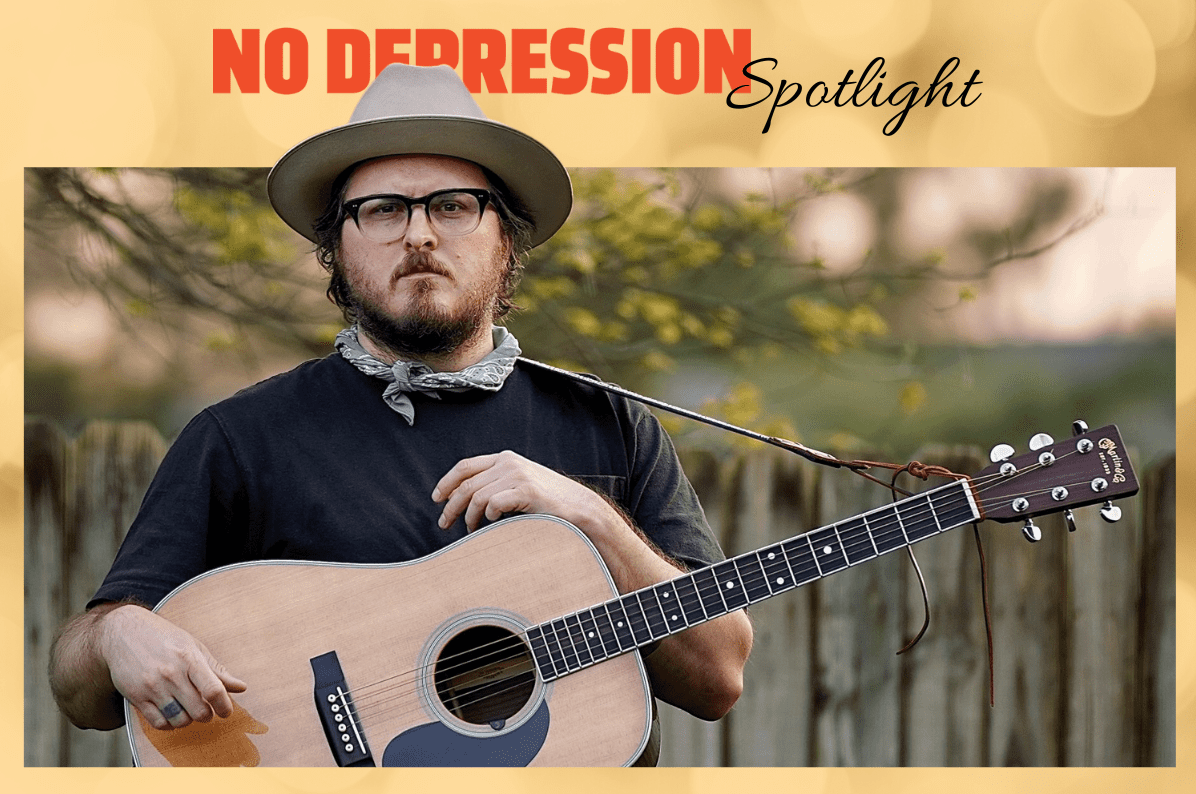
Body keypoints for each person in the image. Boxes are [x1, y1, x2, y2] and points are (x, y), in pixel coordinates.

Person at [47, 63, 754, 765]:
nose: (418, 234)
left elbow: (718, 678)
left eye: (452, 206)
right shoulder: (241, 439)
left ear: (505, 238)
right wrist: (116, 637)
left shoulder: (611, 425)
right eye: (384, 209)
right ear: (337, 247)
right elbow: (79, 690)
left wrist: (592, 517)